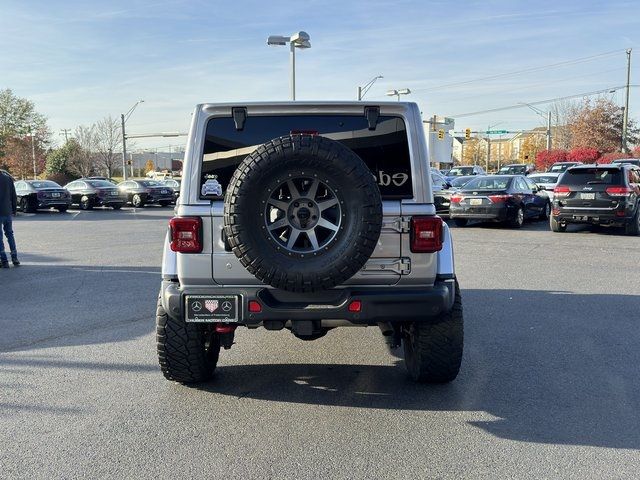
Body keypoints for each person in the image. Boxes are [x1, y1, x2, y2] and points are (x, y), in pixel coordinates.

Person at [0, 171, 19, 268]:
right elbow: (13, 195)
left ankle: (4, 260)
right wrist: (14, 209)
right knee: (10, 234)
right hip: (7, 211)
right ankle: (14, 257)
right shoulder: (8, 178)